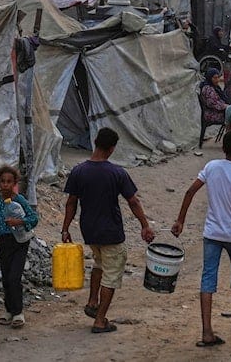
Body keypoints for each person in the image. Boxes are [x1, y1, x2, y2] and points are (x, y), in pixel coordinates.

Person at [61, 128, 156, 334]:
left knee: (99, 264)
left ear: (95, 142)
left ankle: (93, 301)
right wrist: (145, 225)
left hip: (89, 230)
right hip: (111, 232)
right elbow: (133, 201)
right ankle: (100, 320)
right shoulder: (117, 173)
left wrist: (65, 229)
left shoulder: (78, 171)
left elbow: (71, 203)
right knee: (111, 275)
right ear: (112, 148)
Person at [171, 130, 231, 347]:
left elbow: (190, 192)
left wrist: (180, 220)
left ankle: (207, 331)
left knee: (208, 278)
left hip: (212, 232)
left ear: (223, 148)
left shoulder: (211, 167)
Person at [0, 164, 39, 329]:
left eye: (9, 181)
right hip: (5, 241)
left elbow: (33, 218)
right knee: (6, 277)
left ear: (14, 182)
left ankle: (18, 312)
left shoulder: (19, 200)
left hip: (20, 241)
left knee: (15, 277)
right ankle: (8, 311)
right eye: (2, 181)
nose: (5, 185)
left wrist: (19, 221)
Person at [199, 68, 230, 151]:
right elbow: (213, 104)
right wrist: (229, 107)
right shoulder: (208, 89)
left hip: (217, 111)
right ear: (209, 78)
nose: (217, 80)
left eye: (218, 77)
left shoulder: (214, 87)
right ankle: (229, 144)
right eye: (215, 78)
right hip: (212, 113)